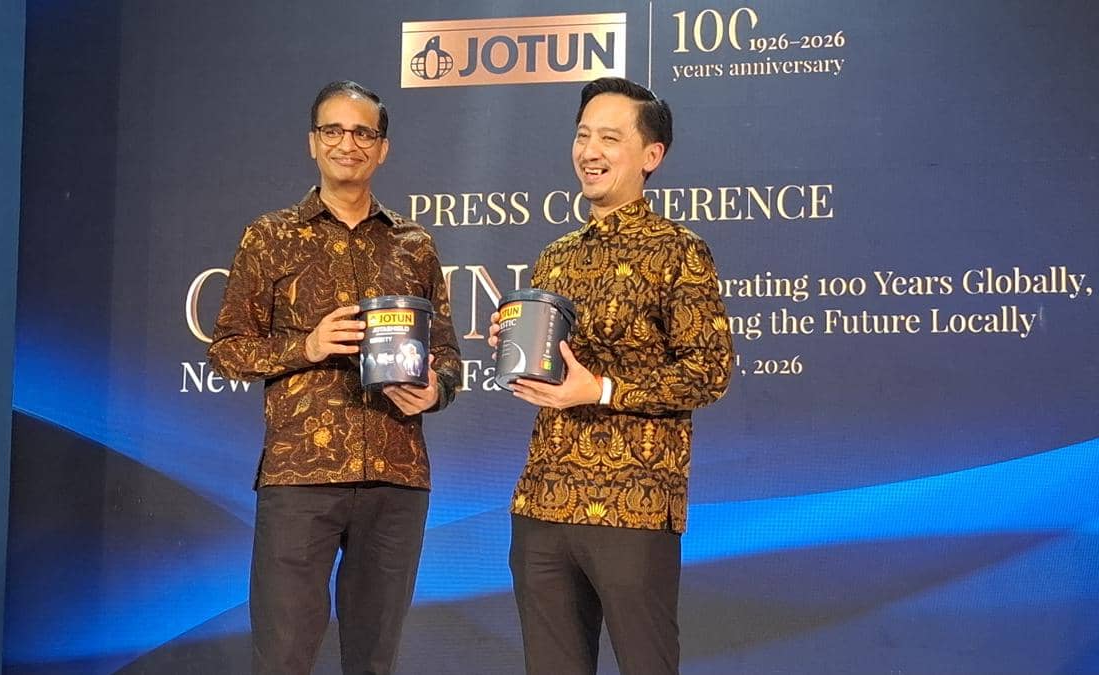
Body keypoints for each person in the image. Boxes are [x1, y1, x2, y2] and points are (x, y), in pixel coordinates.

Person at [208, 80, 461, 675]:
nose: (348, 143)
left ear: (382, 148)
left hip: (396, 476)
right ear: (313, 142)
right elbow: (228, 351)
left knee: (374, 659)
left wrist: (436, 390)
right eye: (334, 130)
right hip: (301, 475)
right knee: (284, 655)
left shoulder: (414, 244)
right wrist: (308, 346)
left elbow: (448, 355)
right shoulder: (270, 236)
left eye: (363, 133)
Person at [488, 77, 734, 675]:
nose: (590, 151)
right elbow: (551, 371)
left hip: (633, 505)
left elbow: (709, 371)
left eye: (609, 138)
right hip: (545, 499)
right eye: (582, 136)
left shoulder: (679, 250)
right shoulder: (555, 257)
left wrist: (601, 390)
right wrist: (515, 344)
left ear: (651, 155)